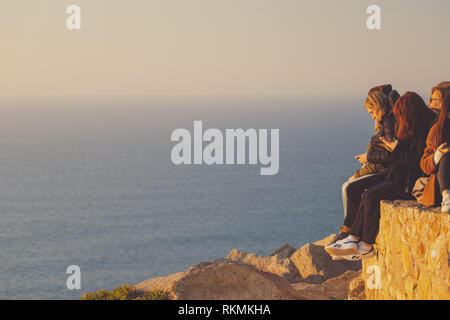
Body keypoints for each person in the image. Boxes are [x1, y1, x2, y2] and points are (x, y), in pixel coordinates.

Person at [326, 92, 435, 261]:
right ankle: (353, 237)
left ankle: (367, 245)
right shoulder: (412, 129)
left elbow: (418, 161)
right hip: (398, 176)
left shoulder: (423, 132)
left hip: (410, 183)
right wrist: (394, 148)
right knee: (359, 189)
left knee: (370, 194)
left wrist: (395, 149)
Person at [336, 85, 399, 243]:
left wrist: (368, 157)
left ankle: (352, 234)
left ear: (378, 107)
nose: (371, 117)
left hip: (389, 172)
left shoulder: (388, 123)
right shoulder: (385, 122)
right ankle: (349, 231)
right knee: (351, 188)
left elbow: (390, 155)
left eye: (372, 112)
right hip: (384, 169)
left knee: (354, 189)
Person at [420, 93, 450, 212]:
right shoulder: (438, 131)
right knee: (446, 156)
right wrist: (437, 155)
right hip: (443, 183)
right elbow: (424, 165)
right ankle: (447, 197)